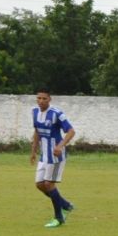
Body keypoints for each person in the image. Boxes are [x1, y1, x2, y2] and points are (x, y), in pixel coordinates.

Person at [30, 88, 76, 228]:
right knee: (40, 185)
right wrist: (33, 151)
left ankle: (59, 217)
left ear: (50, 99)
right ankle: (65, 205)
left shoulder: (57, 114)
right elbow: (37, 132)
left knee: (49, 184)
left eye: (44, 98)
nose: (41, 101)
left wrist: (60, 146)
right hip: (44, 156)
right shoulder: (35, 112)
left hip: (56, 156)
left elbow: (71, 131)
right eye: (39, 98)